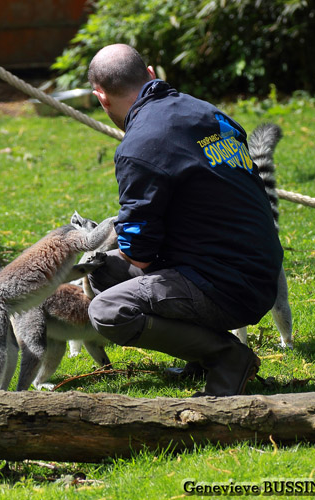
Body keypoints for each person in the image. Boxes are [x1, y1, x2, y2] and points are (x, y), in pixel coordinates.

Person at [86, 44, 283, 397]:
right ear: (149, 74)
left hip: (228, 287)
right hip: (262, 274)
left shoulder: (139, 144)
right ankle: (200, 354)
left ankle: (226, 358)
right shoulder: (208, 112)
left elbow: (139, 254)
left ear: (101, 97)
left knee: (108, 309)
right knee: (103, 269)